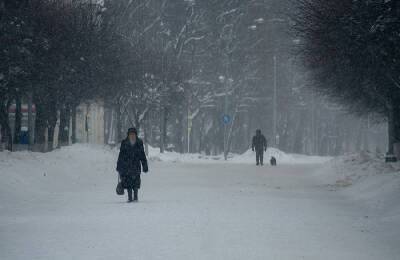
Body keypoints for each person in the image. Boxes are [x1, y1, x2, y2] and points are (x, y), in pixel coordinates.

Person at [117, 127, 148, 202]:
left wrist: (145, 165)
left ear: (136, 135)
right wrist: (119, 166)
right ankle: (130, 197)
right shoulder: (124, 143)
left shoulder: (139, 142)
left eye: (133, 134)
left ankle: (136, 196)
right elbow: (121, 155)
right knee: (128, 182)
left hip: (136, 166)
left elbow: (142, 155)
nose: (132, 136)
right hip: (126, 166)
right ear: (128, 135)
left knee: (136, 182)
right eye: (131, 134)